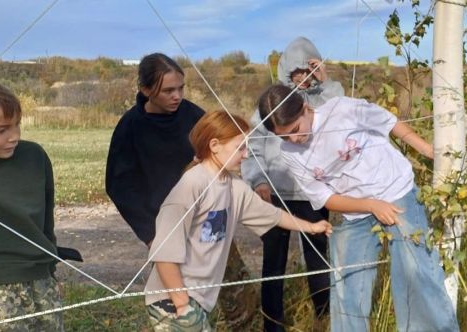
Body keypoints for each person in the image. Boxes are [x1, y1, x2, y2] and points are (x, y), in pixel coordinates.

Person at [257, 85, 460, 332]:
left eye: (295, 130)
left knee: (415, 272)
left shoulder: (342, 109)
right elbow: (324, 198)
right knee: (346, 284)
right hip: (355, 211)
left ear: (305, 108)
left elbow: (388, 122)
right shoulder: (288, 152)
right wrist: (370, 205)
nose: (293, 139)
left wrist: (427, 150)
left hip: (396, 191)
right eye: (283, 136)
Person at [104, 53, 257, 327]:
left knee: (238, 293)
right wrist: (150, 235)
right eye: (168, 91)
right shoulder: (131, 127)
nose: (177, 96)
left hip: (211, 220)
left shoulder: (193, 115)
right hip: (170, 232)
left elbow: (221, 151)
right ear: (146, 90)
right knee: (178, 306)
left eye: (181, 88)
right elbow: (120, 186)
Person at [144, 111, 332, 331]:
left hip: (198, 299)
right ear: (214, 145)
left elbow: (272, 214)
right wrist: (182, 302)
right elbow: (165, 253)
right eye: (240, 147)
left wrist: (310, 226)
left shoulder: (234, 187)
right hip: (171, 299)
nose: (245, 155)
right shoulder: (192, 185)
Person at [241, 36, 343, 331]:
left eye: (308, 73)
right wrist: (259, 182)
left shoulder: (322, 102)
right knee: (273, 263)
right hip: (275, 194)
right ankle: (272, 323)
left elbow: (342, 114)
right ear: (285, 74)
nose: (302, 80)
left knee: (317, 256)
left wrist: (327, 84)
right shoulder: (271, 104)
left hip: (312, 194)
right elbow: (252, 149)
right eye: (296, 75)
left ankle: (323, 316)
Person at [0, 77, 63, 331]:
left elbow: (46, 219)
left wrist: (50, 268)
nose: (14, 136)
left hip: (40, 279)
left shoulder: (34, 156)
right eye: (1, 130)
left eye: (17, 125)